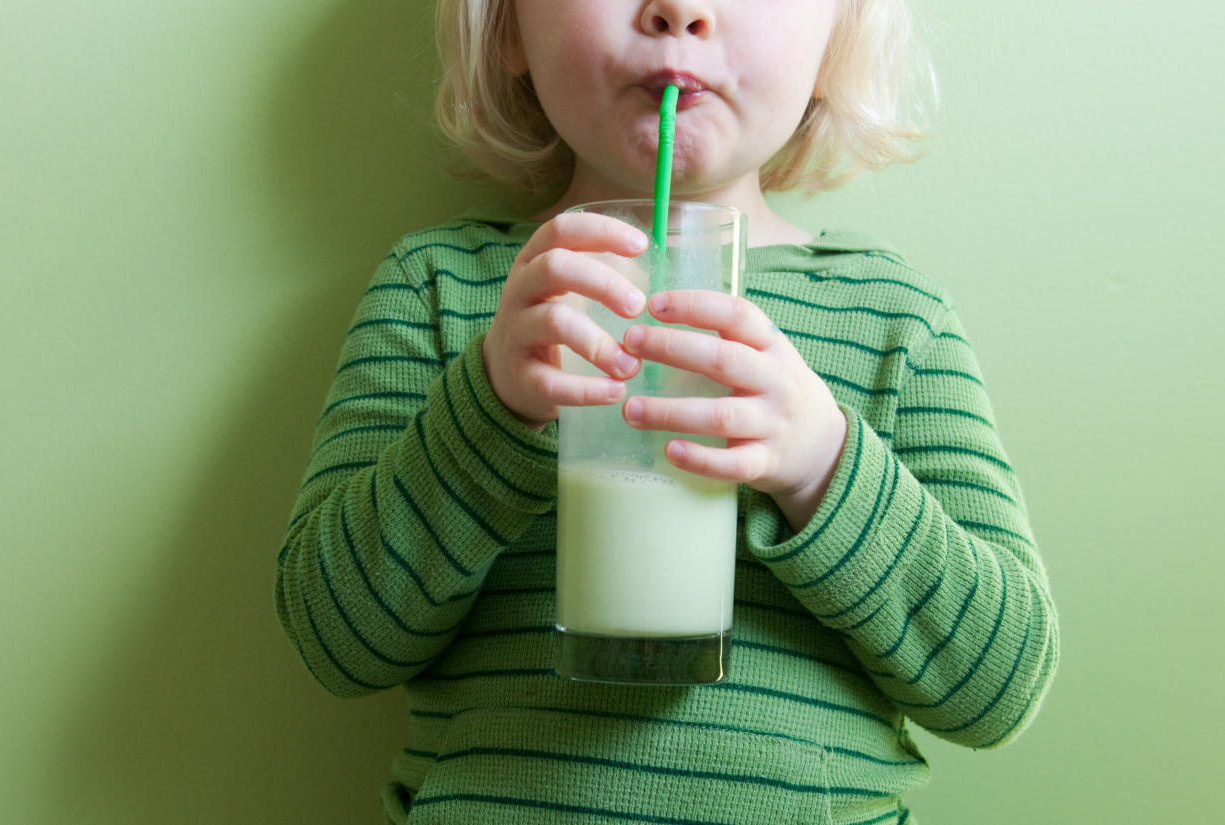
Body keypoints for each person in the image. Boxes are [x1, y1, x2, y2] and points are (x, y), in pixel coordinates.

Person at [275, 1, 1060, 822]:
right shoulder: (444, 288)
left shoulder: (893, 318)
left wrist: (823, 463)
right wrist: (490, 412)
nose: (679, 9)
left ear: (836, 43)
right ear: (506, 27)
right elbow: (335, 641)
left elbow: (998, 686)